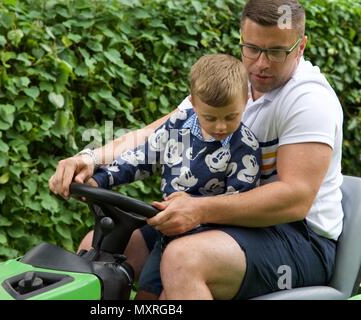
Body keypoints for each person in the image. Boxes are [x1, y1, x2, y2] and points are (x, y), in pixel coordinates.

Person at [49, 0, 343, 300]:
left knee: (182, 259)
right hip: (223, 221)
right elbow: (156, 134)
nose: (261, 63)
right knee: (98, 246)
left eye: (277, 52)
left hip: (300, 238)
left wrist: (198, 208)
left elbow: (294, 199)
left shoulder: (309, 99)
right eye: (252, 48)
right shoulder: (231, 84)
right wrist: (89, 159)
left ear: (301, 45)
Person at [88, 54, 261, 297]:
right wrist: (100, 179)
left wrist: (198, 214)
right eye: (210, 118)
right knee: (145, 297)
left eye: (231, 117)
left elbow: (236, 204)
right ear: (193, 103)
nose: (221, 126)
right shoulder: (178, 125)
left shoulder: (244, 148)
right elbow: (143, 156)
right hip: (168, 234)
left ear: (246, 100)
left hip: (208, 242)